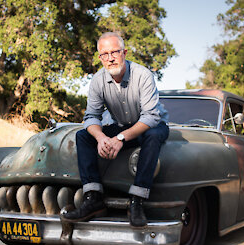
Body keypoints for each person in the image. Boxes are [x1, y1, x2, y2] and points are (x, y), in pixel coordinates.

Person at [62, 32, 169, 227]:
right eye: (104, 54)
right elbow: (91, 117)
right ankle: (93, 197)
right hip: (122, 127)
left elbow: (150, 117)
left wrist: (120, 138)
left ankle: (137, 201)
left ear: (124, 52)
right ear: (100, 57)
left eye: (114, 52)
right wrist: (102, 137)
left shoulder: (143, 75)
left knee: (153, 136)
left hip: (151, 127)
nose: (110, 58)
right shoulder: (97, 80)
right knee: (83, 136)